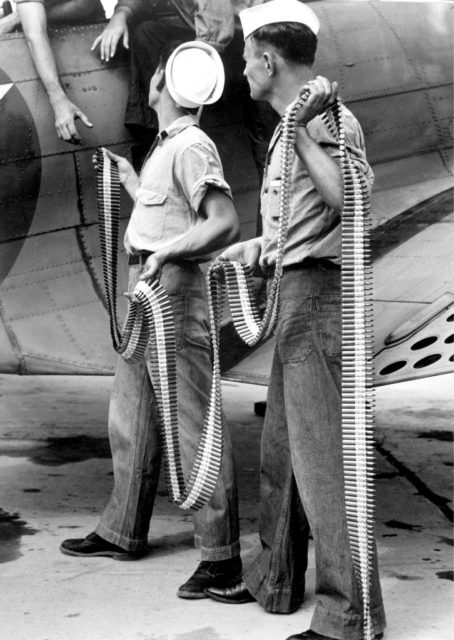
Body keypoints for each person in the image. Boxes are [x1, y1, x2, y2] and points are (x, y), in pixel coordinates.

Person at [204, 2, 387, 639]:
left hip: (321, 301)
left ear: (268, 59)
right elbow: (301, 224)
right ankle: (274, 581)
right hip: (294, 293)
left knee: (323, 466)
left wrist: (308, 132)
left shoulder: (327, 120)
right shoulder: (286, 128)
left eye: (246, 55)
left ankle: (349, 616)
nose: (242, 67)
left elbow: (350, 203)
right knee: (282, 457)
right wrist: (256, 250)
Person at [60, 40, 244, 602]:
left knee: (193, 426)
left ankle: (222, 561)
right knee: (131, 416)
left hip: (176, 290)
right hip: (150, 286)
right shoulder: (169, 145)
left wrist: (166, 257)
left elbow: (224, 222)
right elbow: (170, 213)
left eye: (157, 72)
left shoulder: (191, 146)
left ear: (160, 86)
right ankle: (122, 531)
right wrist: (131, 184)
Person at [92, 1, 235, 137]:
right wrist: (121, 14)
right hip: (206, 36)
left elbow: (216, 26)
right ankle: (157, 127)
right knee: (147, 33)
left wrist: (193, 79)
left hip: (229, 46)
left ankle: (179, 124)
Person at [7, 0, 105, 143]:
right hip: (51, 49)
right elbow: (35, 33)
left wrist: (16, 19)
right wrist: (59, 101)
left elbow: (85, 4)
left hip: (89, 36)